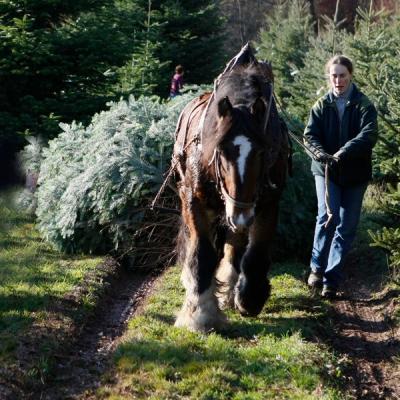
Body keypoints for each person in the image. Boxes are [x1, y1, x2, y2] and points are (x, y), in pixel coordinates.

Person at [304, 54, 378, 299]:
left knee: (346, 227)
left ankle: (331, 280)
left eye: (342, 75)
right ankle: (316, 268)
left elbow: (368, 135)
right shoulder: (320, 105)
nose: (338, 80)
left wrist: (344, 151)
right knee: (327, 216)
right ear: (329, 77)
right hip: (326, 173)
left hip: (355, 175)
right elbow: (310, 136)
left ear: (350, 76)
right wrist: (320, 153)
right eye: (334, 75)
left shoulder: (364, 105)